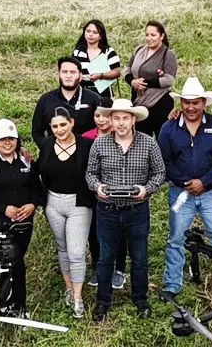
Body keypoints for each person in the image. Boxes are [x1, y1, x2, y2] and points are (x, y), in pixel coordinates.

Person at [158, 77, 212, 302]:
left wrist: (204, 182)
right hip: (181, 192)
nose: (191, 107)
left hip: (211, 193)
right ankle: (172, 285)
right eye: (187, 102)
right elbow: (165, 160)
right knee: (176, 238)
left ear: (204, 103)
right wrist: (186, 181)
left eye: (196, 102)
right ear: (181, 104)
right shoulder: (168, 128)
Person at [85, 99, 165, 321]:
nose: (121, 123)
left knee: (139, 257)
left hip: (137, 210)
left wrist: (146, 189)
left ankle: (140, 299)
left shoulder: (149, 144)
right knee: (105, 257)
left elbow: (159, 173)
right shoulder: (100, 145)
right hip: (108, 210)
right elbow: (90, 173)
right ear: (110, 120)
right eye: (117, 118)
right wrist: (97, 187)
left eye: (125, 118)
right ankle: (103, 301)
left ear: (133, 120)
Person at [0, 120, 44, 315]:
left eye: (11, 139)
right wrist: (4, 209)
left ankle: (8, 306)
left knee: (15, 262)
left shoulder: (24, 161)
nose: (7, 143)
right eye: (3, 139)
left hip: (24, 223)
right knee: (15, 263)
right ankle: (16, 307)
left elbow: (36, 188)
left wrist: (32, 205)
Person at [36, 108, 94, 317]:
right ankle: (68, 288)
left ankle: (78, 298)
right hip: (53, 203)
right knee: (62, 248)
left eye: (62, 124)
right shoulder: (47, 145)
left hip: (78, 203)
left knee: (76, 252)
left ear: (71, 123)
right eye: (54, 126)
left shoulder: (86, 145)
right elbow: (38, 171)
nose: (59, 130)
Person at [83, 105, 129, 289]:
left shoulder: (121, 136)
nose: (101, 120)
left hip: (118, 192)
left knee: (119, 230)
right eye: (97, 116)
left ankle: (119, 269)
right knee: (94, 232)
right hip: (93, 191)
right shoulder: (86, 137)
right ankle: (98, 267)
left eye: (105, 116)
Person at [123, 21, 177, 139]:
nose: (149, 38)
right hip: (139, 104)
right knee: (140, 141)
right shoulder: (138, 50)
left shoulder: (168, 54)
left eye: (153, 35)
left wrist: (145, 83)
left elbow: (169, 79)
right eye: (147, 35)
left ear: (161, 36)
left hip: (159, 103)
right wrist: (132, 81)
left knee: (162, 139)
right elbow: (127, 70)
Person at [32, 57, 101, 142]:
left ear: (80, 76)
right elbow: (37, 132)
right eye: (64, 72)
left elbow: (103, 127)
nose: (68, 76)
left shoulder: (93, 99)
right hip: (54, 152)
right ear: (58, 74)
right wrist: (47, 148)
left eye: (72, 72)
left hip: (86, 153)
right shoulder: (46, 100)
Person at [73, 19, 123, 105]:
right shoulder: (78, 52)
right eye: (88, 31)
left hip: (103, 92)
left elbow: (117, 72)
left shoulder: (108, 51)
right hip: (83, 91)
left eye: (95, 32)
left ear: (101, 36)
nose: (91, 34)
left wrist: (101, 75)